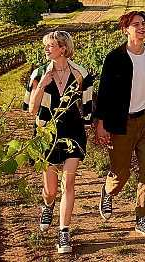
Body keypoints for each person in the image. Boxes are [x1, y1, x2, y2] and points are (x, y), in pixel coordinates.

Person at [94, 10, 145, 237]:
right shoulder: (114, 58)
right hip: (121, 122)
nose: (142, 27)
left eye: (143, 23)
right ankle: (108, 192)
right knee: (121, 173)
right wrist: (100, 122)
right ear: (125, 29)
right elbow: (104, 92)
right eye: (136, 24)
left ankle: (142, 218)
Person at [24, 30, 94, 254]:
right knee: (51, 190)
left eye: (51, 45)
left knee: (69, 184)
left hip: (73, 133)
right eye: (46, 45)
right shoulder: (38, 73)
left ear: (63, 48)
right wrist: (42, 85)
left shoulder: (82, 74)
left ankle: (64, 232)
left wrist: (89, 129)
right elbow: (30, 109)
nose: (47, 49)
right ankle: (48, 204)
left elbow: (88, 110)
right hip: (47, 133)